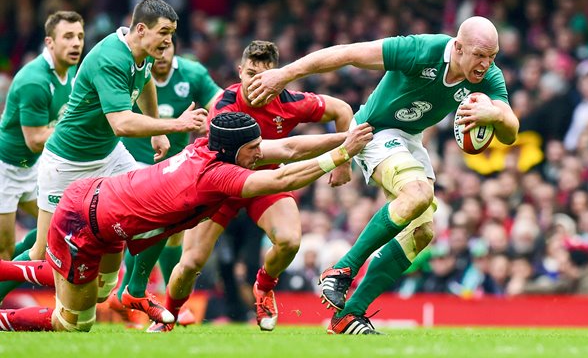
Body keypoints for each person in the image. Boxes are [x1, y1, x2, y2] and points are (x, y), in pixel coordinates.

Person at [247, 16, 520, 334]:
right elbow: (348, 53)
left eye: (492, 57)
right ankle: (341, 270)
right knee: (418, 194)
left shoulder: (488, 77)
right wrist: (284, 74)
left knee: (422, 233)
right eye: (479, 55)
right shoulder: (420, 51)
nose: (486, 64)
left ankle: (349, 314)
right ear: (458, 47)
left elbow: (511, 131)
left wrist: (495, 114)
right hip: (372, 130)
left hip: (409, 138)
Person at [0, 112, 373, 332]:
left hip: (101, 202)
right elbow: (281, 178)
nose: (260, 153)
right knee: (74, 323)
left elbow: (288, 149)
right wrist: (341, 153)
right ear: (232, 151)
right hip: (85, 223)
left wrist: (347, 137)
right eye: (253, 149)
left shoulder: (208, 147)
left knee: (99, 289)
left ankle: (72, 276)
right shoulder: (216, 176)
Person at [0, 0, 207, 303]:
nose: (168, 41)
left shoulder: (144, 49)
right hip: (67, 163)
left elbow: (145, 80)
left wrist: (158, 130)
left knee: (162, 204)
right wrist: (176, 124)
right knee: (41, 253)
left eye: (171, 34)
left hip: (110, 156)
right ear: (140, 29)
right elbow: (121, 123)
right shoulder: (111, 58)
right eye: (164, 32)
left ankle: (130, 290)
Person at [151, 40, 353, 332]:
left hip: (265, 183)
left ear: (278, 76)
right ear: (239, 72)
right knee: (191, 262)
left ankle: (264, 287)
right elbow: (271, 152)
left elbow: (342, 110)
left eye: (265, 76)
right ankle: (167, 316)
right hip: (222, 184)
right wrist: (322, 153)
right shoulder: (224, 107)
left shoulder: (290, 102)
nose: (257, 83)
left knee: (290, 241)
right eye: (250, 74)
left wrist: (345, 164)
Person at [109, 39, 222, 328]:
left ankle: (169, 301)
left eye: (167, 48)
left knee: (173, 235)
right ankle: (130, 291)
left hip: (174, 166)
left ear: (174, 49)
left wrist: (220, 121)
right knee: (151, 226)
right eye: (157, 50)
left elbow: (219, 103)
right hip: (135, 161)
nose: (161, 55)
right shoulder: (132, 71)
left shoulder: (192, 74)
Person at [0, 11, 84, 263]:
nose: (76, 43)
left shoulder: (72, 72)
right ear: (50, 42)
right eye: (68, 36)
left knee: (58, 229)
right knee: (3, 252)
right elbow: (35, 139)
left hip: (32, 167)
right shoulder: (34, 80)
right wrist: (75, 128)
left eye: (80, 36)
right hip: (6, 171)